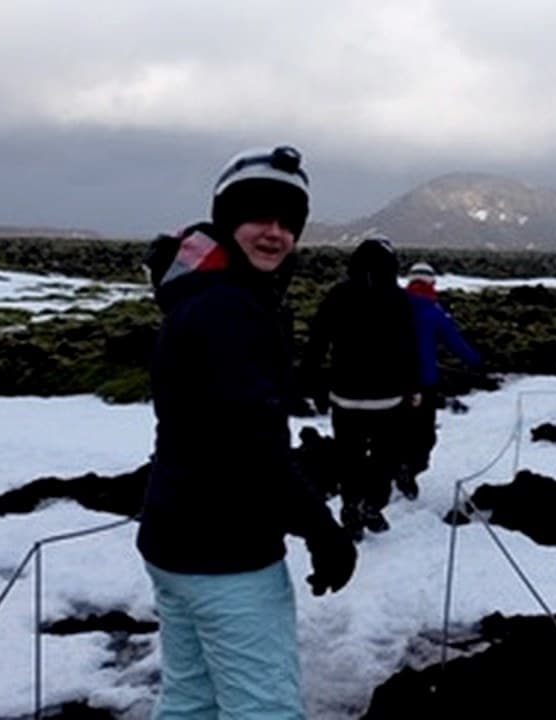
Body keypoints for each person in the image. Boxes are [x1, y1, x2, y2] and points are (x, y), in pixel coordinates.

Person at [136, 145, 357, 719]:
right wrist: (323, 532)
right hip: (225, 554)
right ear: (228, 218)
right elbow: (253, 452)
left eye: (289, 222)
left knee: (191, 700)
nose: (276, 233)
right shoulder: (230, 310)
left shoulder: (203, 297)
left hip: (174, 537)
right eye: (260, 216)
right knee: (264, 711)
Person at [303, 236, 419, 541]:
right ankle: (372, 504)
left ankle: (351, 507)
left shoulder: (337, 295)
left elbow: (317, 343)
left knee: (348, 456)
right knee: (385, 457)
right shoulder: (399, 299)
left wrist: (314, 385)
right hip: (388, 398)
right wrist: (413, 386)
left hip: (345, 396)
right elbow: (410, 349)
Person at [397, 261, 482, 500]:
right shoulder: (433, 312)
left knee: (395, 430)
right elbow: (455, 342)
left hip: (392, 381)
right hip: (424, 383)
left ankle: (392, 470)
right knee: (424, 435)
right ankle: (409, 472)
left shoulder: (394, 306)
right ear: (432, 283)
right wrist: (477, 362)